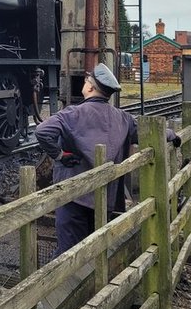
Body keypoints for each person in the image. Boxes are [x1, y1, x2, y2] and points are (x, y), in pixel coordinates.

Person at [35, 63, 138, 256]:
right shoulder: (124, 118)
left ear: (90, 87)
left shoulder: (72, 114)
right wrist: (172, 134)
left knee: (69, 251)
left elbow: (42, 132)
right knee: (96, 249)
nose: (84, 83)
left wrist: (59, 155)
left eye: (86, 80)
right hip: (105, 198)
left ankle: (64, 285)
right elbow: (147, 131)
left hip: (72, 196)